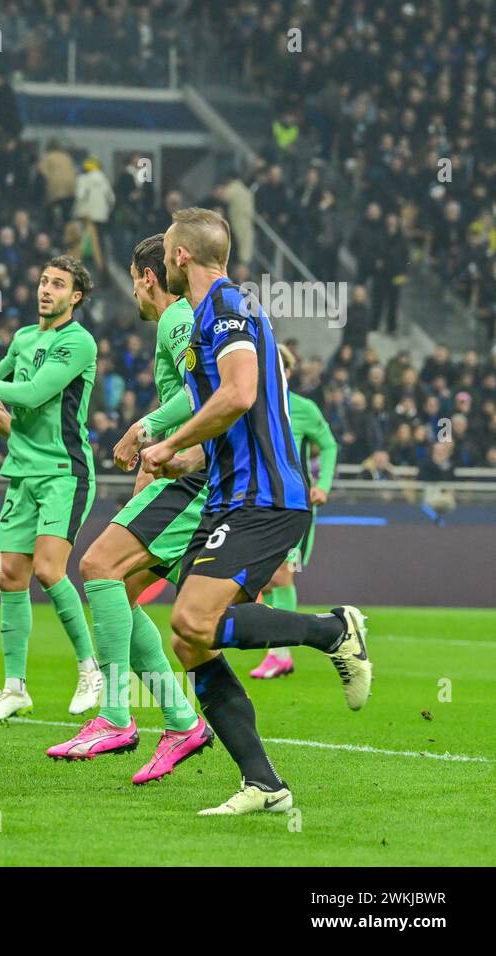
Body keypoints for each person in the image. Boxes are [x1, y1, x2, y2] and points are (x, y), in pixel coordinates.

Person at [139, 208, 370, 816]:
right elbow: (228, 423)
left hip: (263, 498)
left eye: (167, 249)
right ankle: (264, 784)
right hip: (229, 494)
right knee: (192, 642)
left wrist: (167, 441)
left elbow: (239, 394)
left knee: (192, 621)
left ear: (181, 256)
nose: (164, 258)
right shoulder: (206, 323)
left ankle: (333, 630)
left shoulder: (228, 306)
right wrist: (183, 460)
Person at [53, 234, 211, 782]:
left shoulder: (176, 318)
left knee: (97, 566)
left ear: (147, 277)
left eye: (134, 281)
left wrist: (144, 429)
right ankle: (181, 719)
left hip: (200, 480)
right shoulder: (186, 320)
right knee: (116, 586)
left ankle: (116, 716)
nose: (137, 295)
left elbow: (203, 391)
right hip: (197, 472)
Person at [0, 256, 103, 725]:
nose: (46, 289)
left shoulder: (79, 342)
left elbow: (32, 393)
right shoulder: (24, 338)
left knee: (48, 569)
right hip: (21, 473)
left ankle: (90, 669)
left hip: (64, 472)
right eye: (43, 280)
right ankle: (14, 687)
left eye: (58, 284)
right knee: (10, 576)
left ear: (75, 297)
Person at [252, 344, 339, 679]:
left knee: (280, 575)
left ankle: (279, 652)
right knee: (269, 583)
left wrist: (324, 484)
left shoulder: (302, 408)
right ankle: (281, 655)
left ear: (287, 372)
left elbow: (329, 443)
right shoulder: (256, 406)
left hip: (297, 505)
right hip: (262, 504)